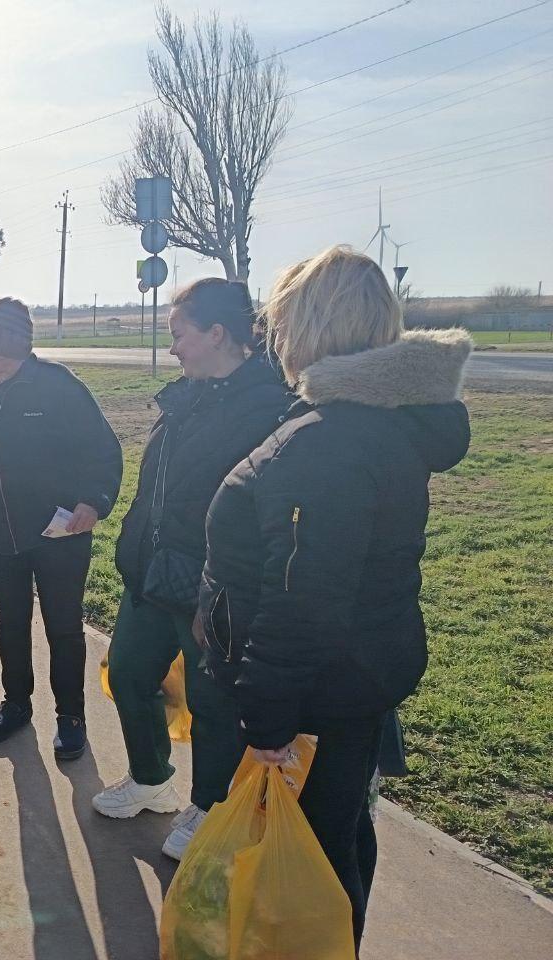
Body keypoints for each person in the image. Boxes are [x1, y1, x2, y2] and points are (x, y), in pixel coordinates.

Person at [197, 246, 471, 948]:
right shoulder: (372, 426)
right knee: (342, 841)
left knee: (311, 866)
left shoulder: (330, 444)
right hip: (352, 685)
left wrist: (266, 726)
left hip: (313, 703)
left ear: (311, 328)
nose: (275, 342)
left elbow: (302, 601)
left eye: (282, 325)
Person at [94, 279, 293, 863]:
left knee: (212, 703)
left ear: (217, 334)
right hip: (153, 573)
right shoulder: (184, 397)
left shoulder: (268, 407)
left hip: (215, 586)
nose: (174, 347)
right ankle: (152, 779)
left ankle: (209, 806)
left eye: (179, 334)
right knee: (129, 672)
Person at [0, 297, 122, 759]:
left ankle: (70, 716)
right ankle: (17, 704)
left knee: (63, 627)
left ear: (23, 349)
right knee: (10, 623)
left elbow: (102, 450)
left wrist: (93, 502)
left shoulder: (58, 387)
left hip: (59, 534)